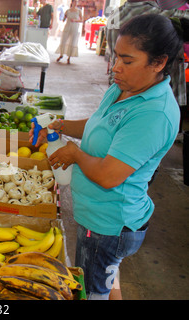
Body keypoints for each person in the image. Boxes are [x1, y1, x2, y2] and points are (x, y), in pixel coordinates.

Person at [30, 13, 183, 299]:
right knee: (108, 275)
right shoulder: (123, 89)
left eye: (127, 61)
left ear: (159, 63)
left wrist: (75, 153)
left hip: (109, 225)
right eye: (115, 57)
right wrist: (59, 125)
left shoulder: (154, 114)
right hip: (99, 217)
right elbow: (99, 124)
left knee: (90, 291)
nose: (115, 68)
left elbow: (109, 175)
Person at [106, 0, 189, 106]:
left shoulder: (114, 15)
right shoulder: (158, 14)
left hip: (119, 91)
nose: (115, 68)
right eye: (127, 61)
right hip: (145, 98)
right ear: (159, 62)